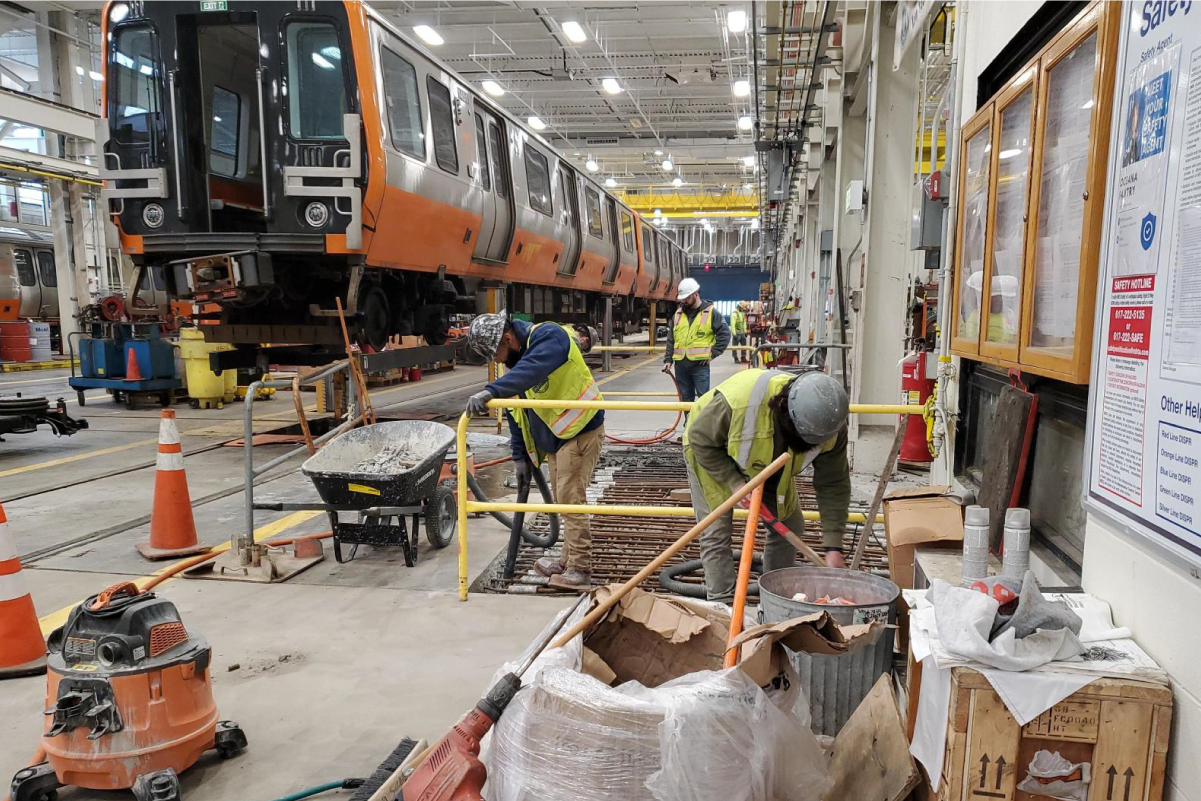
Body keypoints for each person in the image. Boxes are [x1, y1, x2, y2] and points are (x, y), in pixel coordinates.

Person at [683, 369, 852, 604]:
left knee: (790, 526)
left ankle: (775, 601)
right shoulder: (739, 404)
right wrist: (735, 483)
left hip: (773, 461)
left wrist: (833, 546)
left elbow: (833, 483)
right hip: (713, 453)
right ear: (789, 416)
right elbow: (700, 439)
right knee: (716, 532)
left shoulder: (829, 425)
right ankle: (723, 609)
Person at [465, 314, 604, 590]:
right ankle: (567, 561)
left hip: (581, 428)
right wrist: (519, 456)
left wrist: (490, 391)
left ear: (507, 339)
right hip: (558, 437)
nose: (497, 361)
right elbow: (517, 415)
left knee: (569, 500)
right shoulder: (514, 364)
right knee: (562, 501)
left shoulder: (549, 336)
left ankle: (580, 567)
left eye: (495, 354)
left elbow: (531, 370)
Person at [662, 278, 731, 406]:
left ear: (696, 294)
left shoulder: (710, 313)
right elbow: (671, 339)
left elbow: (725, 334)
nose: (683, 301)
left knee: (704, 401)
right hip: (681, 365)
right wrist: (668, 360)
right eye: (682, 298)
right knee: (685, 400)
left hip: (699, 366)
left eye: (686, 298)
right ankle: (688, 424)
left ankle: (702, 426)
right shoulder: (678, 314)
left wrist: (713, 353)